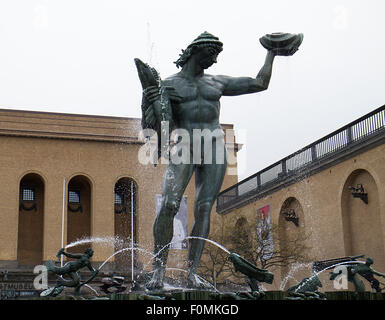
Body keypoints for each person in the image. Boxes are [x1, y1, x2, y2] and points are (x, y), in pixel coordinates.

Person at [143, 31, 281, 289]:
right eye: (211, 55)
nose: (214, 61)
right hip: (184, 144)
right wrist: (152, 104)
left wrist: (271, 52)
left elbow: (260, 83)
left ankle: (191, 273)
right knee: (170, 204)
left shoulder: (217, 82)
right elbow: (154, 125)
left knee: (205, 208)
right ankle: (158, 271)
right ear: (196, 52)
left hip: (215, 145)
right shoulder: (169, 85)